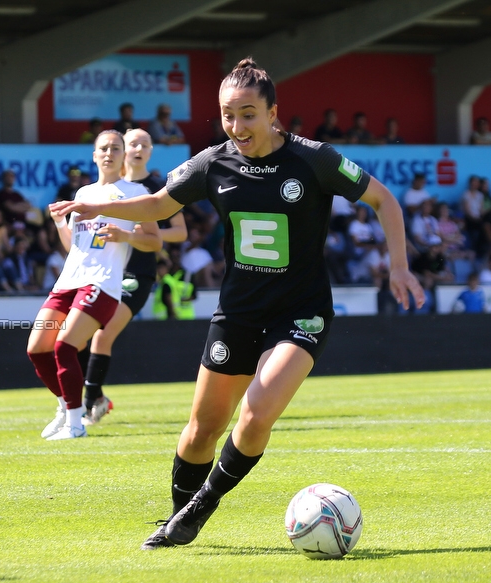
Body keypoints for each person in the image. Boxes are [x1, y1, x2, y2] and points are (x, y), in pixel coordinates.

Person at [49, 58, 424, 548]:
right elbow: (160, 203)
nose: (237, 126)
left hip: (301, 312)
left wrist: (398, 265)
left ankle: (199, 509)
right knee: (202, 431)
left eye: (248, 114)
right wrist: (97, 204)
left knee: (256, 412)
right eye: (228, 115)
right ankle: (176, 516)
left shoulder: (315, 159)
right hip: (238, 314)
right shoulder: (213, 162)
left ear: (273, 112)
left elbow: (384, 200)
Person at [28, 130, 159, 441]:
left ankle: (76, 424)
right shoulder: (83, 192)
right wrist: (60, 221)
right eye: (104, 148)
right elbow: (75, 245)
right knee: (37, 349)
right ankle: (65, 407)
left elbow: (154, 241)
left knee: (65, 346)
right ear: (94, 155)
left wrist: (127, 236)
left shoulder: (134, 191)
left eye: (116, 148)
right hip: (69, 280)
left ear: (124, 153)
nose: (109, 153)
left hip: (103, 282)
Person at [81, 128, 187, 425]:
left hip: (137, 273)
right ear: (121, 150)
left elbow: (180, 232)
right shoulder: (110, 186)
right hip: (104, 271)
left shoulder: (157, 187)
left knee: (103, 333)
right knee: (81, 333)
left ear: (152, 150)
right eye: (132, 144)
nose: (138, 148)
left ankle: (90, 403)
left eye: (145, 143)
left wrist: (141, 231)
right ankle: (92, 399)